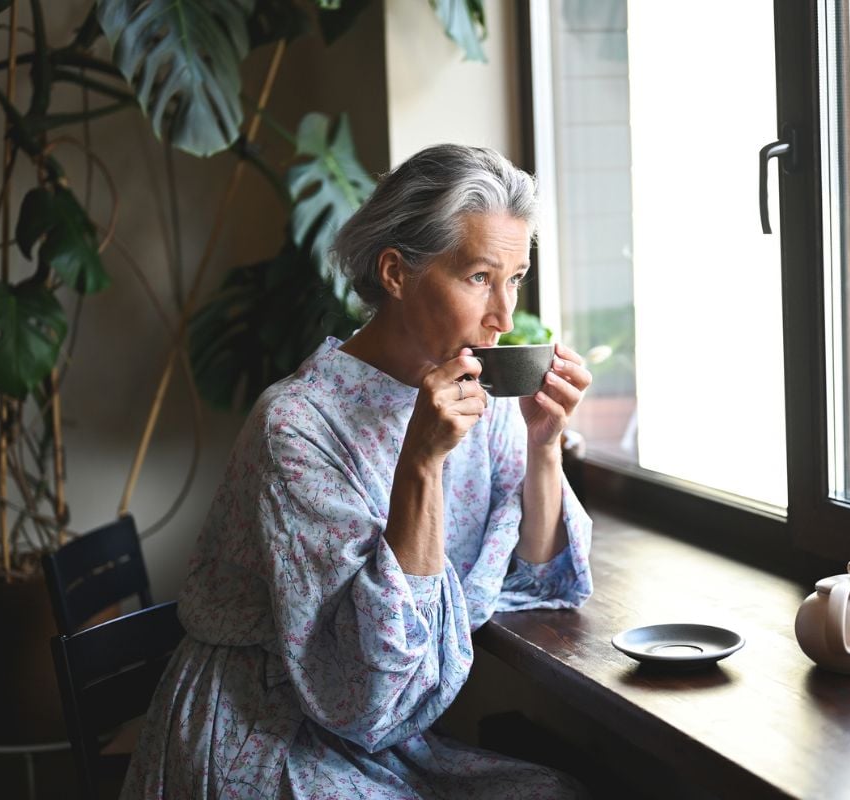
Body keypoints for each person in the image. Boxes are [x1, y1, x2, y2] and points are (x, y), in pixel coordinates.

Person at [121, 144, 594, 799]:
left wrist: (544, 445)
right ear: (396, 273)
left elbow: (534, 574)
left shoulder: (476, 393)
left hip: (386, 738)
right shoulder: (296, 425)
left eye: (514, 278)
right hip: (262, 731)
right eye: (480, 277)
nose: (504, 317)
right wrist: (421, 465)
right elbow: (369, 692)